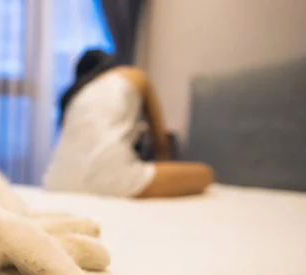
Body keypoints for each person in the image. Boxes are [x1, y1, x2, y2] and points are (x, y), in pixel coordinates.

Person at [43, 49, 214, 198]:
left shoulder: (76, 95)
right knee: (205, 174)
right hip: (109, 176)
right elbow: (160, 142)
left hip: (57, 180)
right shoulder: (134, 74)